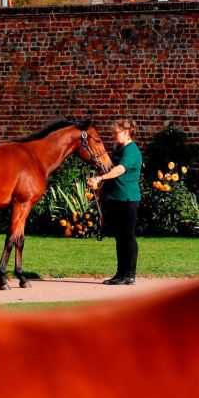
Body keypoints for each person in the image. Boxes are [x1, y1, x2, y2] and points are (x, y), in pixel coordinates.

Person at [87, 118, 143, 285]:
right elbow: (110, 166)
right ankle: (121, 273)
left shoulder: (132, 150)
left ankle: (129, 274)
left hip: (128, 199)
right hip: (116, 198)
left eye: (115, 132)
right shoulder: (119, 149)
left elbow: (120, 169)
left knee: (128, 237)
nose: (113, 135)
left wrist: (100, 178)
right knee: (120, 237)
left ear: (126, 132)